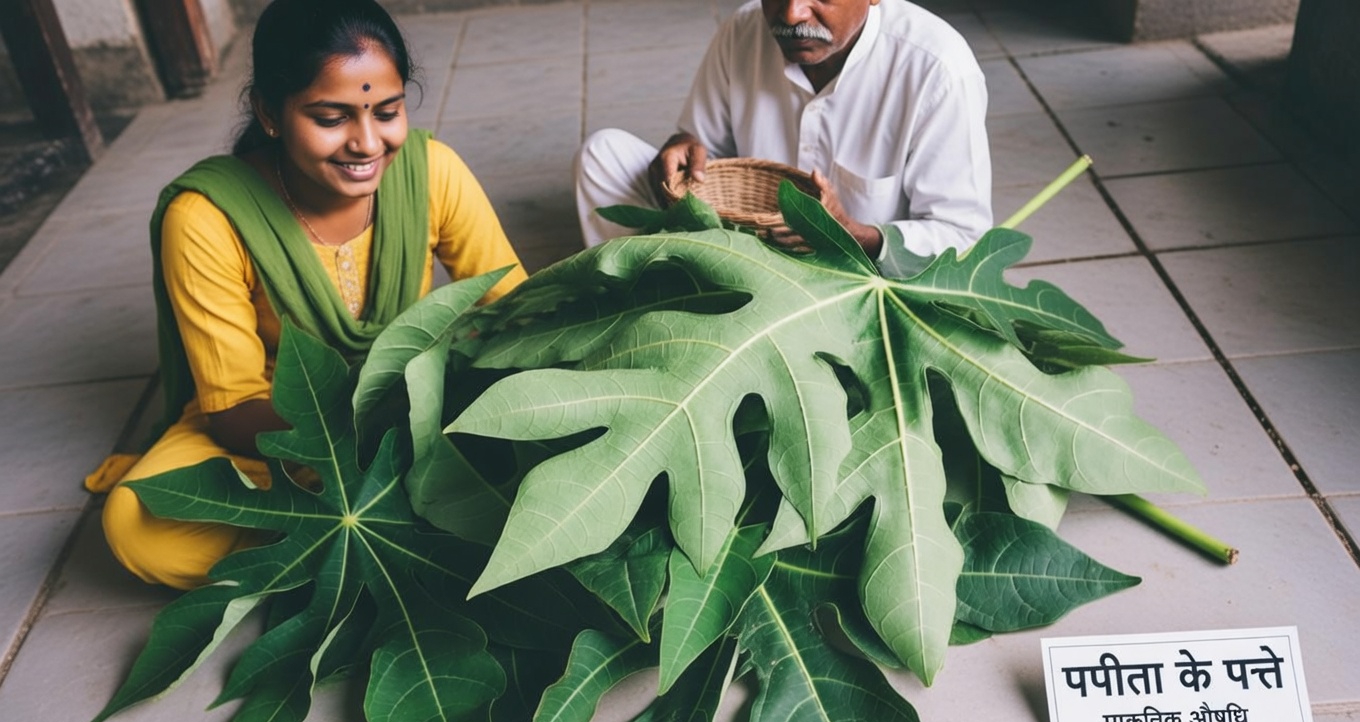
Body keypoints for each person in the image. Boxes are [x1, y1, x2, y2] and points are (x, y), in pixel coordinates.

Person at [99, 0, 527, 590]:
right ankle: (365, 531)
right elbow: (229, 413)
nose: (367, 142)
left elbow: (518, 312)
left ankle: (337, 538)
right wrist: (366, 427)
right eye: (332, 117)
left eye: (388, 111)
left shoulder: (434, 171)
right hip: (279, 432)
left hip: (418, 410)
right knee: (137, 521)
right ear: (270, 113)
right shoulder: (205, 217)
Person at [575, 0, 992, 273]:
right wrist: (677, 156)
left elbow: (962, 236)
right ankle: (645, 293)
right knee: (602, 154)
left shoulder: (937, 70)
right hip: (745, 260)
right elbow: (706, 155)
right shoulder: (743, 31)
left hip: (856, 282)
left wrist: (850, 232)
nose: (792, 14)